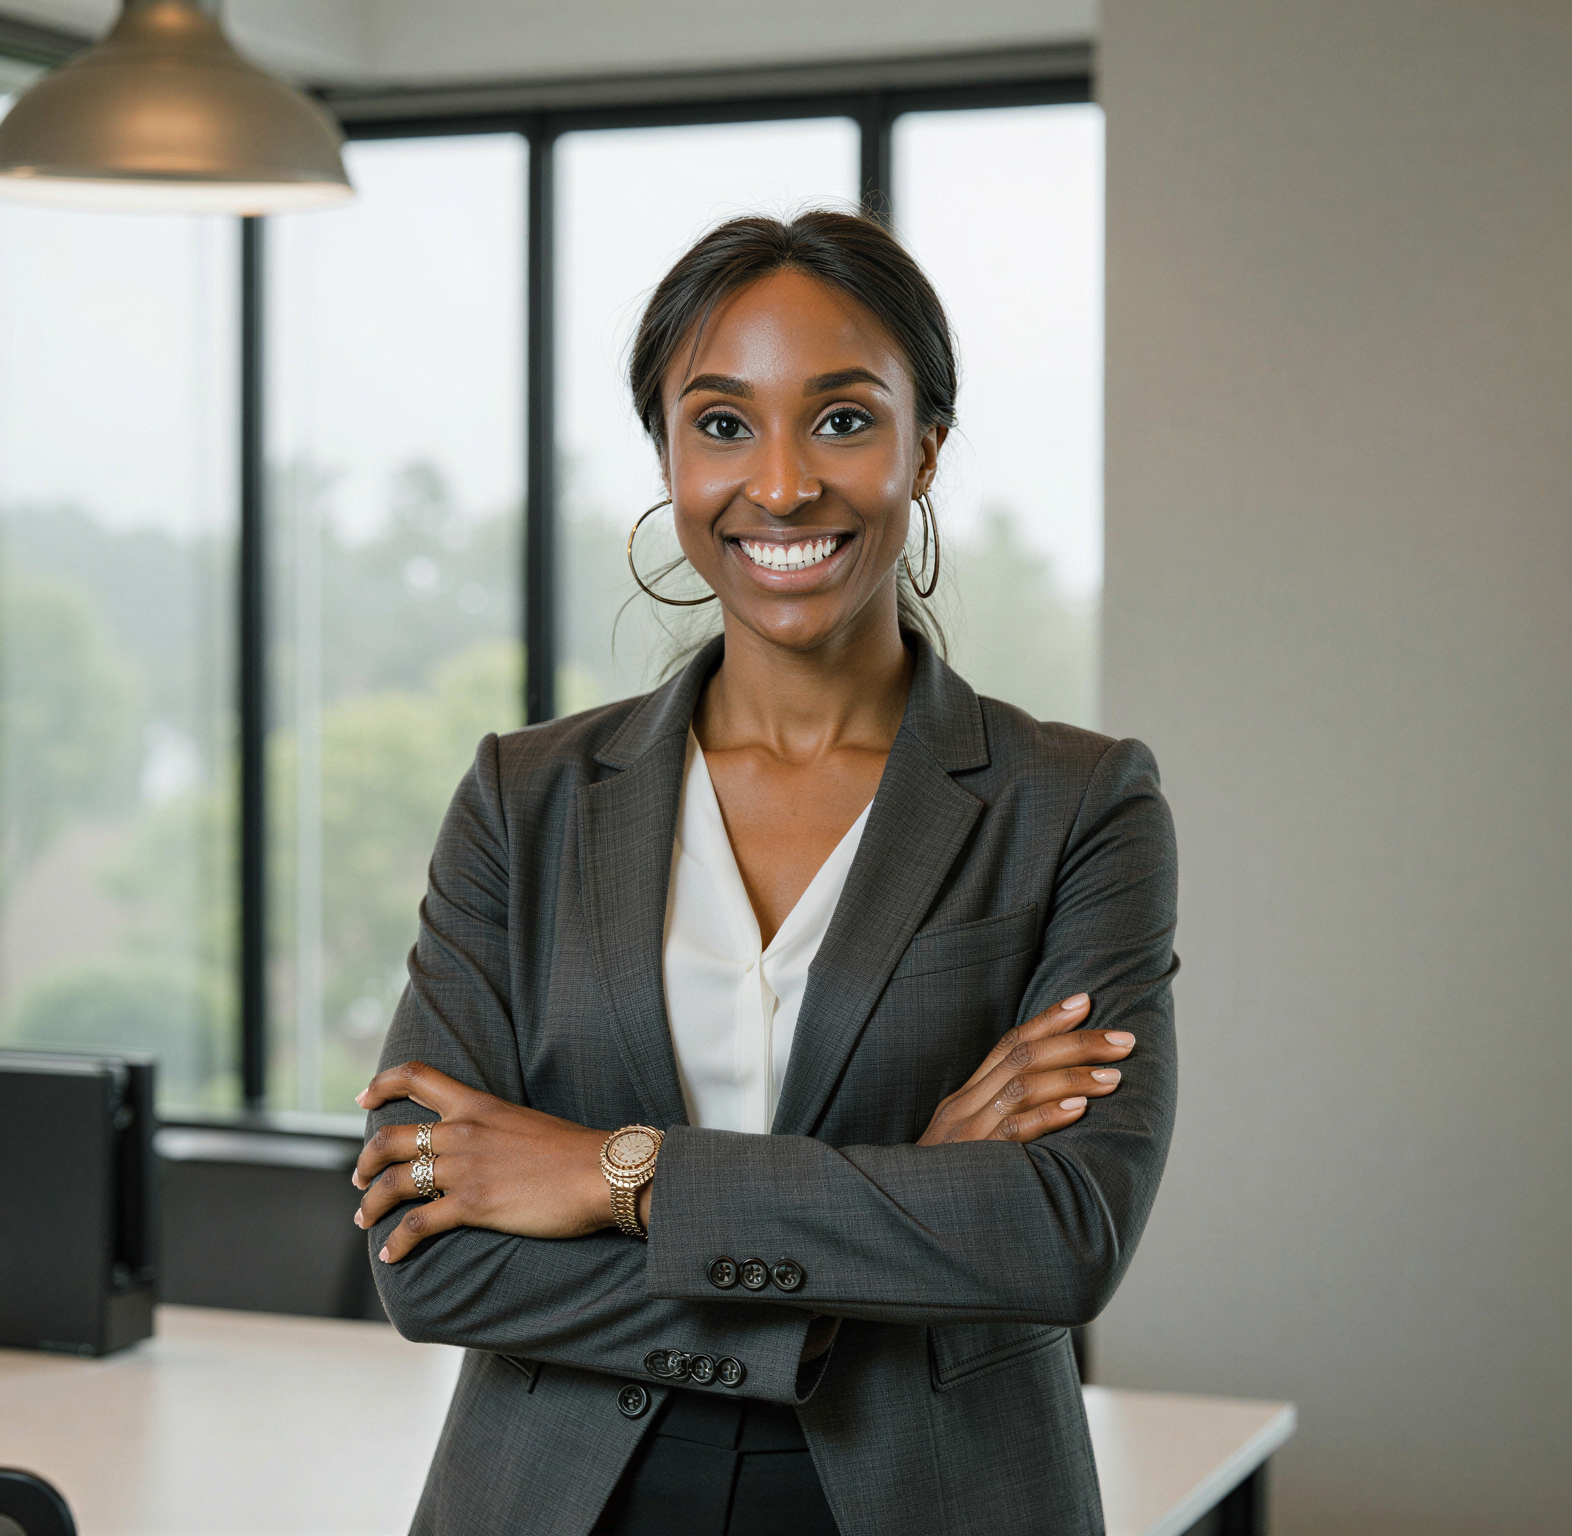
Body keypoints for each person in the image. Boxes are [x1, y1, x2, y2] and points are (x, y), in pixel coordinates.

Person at [349, 209, 1177, 1536]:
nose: (782, 486)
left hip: (936, 1496)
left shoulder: (1073, 803)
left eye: (844, 420)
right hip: (558, 1498)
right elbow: (428, 1263)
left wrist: (618, 1174)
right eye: (722, 424)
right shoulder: (527, 800)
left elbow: (1062, 1232)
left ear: (927, 450)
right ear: (668, 456)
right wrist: (907, 1185)